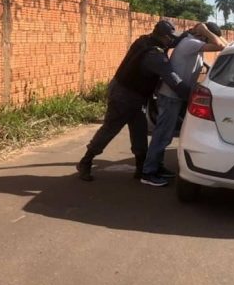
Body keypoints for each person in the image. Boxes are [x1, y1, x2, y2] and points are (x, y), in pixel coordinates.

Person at [76, 19, 192, 181]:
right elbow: (174, 81)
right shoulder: (155, 56)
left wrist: (190, 34)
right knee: (110, 129)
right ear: (163, 37)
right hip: (124, 95)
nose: (172, 41)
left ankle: (141, 167)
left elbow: (173, 43)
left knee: (139, 130)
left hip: (133, 94)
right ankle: (85, 162)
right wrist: (193, 96)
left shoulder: (145, 40)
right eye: (170, 38)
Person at [140, 21, 227, 187]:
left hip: (175, 95)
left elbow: (224, 45)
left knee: (164, 134)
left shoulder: (194, 43)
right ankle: (148, 172)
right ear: (202, 36)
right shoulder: (190, 43)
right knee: (162, 135)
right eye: (207, 36)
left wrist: (206, 32)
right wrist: (205, 31)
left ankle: (157, 167)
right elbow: (219, 46)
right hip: (170, 95)